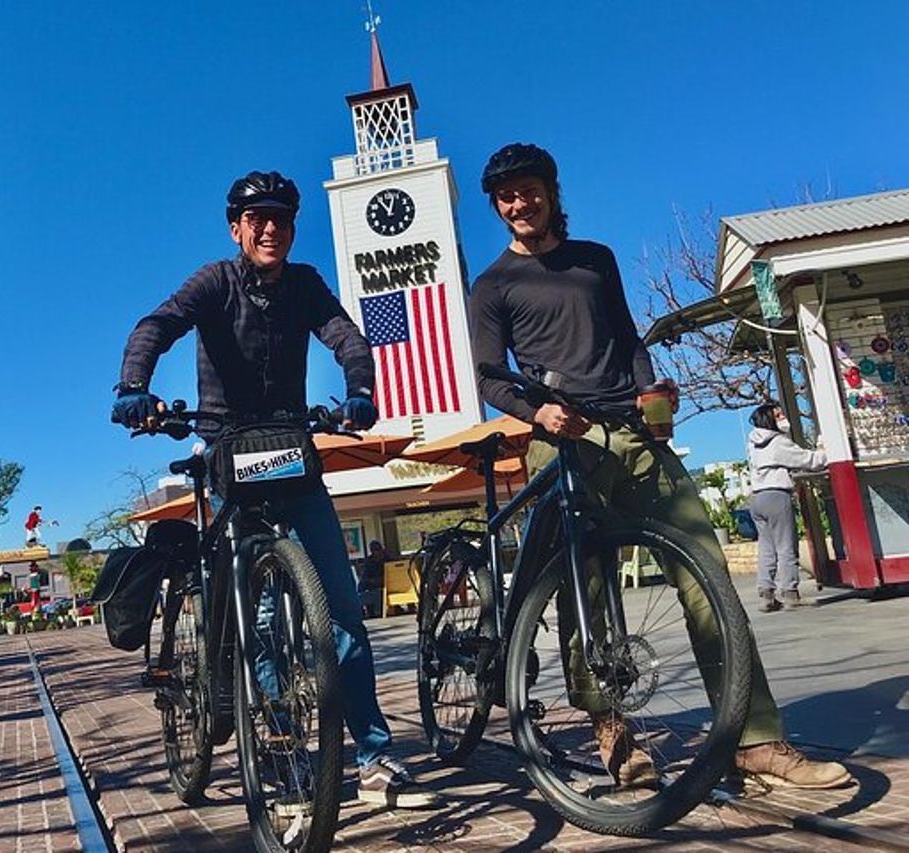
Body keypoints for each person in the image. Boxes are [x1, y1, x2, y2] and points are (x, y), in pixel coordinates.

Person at [467, 143, 849, 790]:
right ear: (497, 207)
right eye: (506, 196)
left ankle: (755, 739)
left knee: (709, 579)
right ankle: (612, 731)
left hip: (636, 433)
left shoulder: (596, 260)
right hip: (565, 440)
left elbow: (628, 337)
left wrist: (652, 392)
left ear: (551, 191)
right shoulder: (494, 284)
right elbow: (489, 376)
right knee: (589, 595)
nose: (518, 203)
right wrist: (537, 414)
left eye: (528, 189)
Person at [111, 170, 436, 809]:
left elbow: (345, 335)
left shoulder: (306, 284)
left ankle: (373, 758)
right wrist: (133, 387)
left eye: (281, 219)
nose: (269, 229)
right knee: (254, 615)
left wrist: (360, 390)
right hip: (228, 450)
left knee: (341, 611)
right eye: (256, 219)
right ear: (236, 229)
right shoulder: (213, 281)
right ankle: (281, 745)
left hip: (291, 447)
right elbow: (159, 323)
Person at [746, 402, 826, 611]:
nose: (783, 418)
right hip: (776, 496)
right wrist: (826, 451)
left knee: (766, 547)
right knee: (785, 545)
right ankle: (791, 593)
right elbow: (808, 460)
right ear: (770, 420)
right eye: (779, 415)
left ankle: (766, 594)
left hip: (757, 498)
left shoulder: (753, 442)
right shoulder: (778, 442)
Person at [360, 540, 387, 618]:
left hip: (385, 582)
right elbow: (365, 576)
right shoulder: (369, 561)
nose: (376, 552)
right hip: (372, 583)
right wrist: (369, 580)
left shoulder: (387, 558)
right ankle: (363, 611)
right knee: (361, 587)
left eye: (378, 549)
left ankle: (375, 611)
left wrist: (380, 579)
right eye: (373, 550)